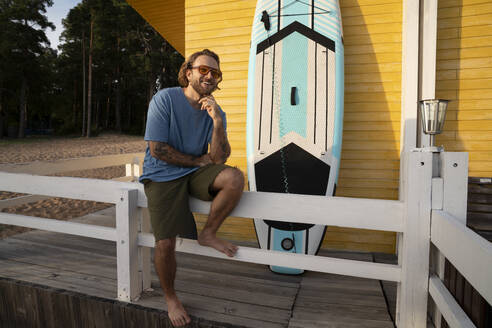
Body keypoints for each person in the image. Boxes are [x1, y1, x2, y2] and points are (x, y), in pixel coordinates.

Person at [139, 49, 244, 327]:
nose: (209, 76)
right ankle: (171, 297)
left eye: (215, 73)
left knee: (234, 179)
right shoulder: (166, 99)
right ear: (189, 72)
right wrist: (198, 160)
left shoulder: (215, 109)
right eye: (203, 70)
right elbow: (157, 149)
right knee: (165, 242)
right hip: (161, 174)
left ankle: (208, 233)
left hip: (194, 173)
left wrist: (218, 122)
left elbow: (219, 159)